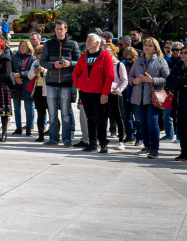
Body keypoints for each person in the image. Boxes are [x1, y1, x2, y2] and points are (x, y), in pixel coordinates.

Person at [40, 19, 81, 147]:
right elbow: (42, 61)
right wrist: (53, 65)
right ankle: (53, 138)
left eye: (61, 29)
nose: (59, 31)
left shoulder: (73, 44)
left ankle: (67, 139)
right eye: (57, 29)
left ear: (66, 30)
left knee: (66, 113)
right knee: (52, 113)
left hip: (66, 83)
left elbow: (79, 62)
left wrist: (70, 64)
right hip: (51, 83)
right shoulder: (48, 44)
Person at [72, 33, 114, 153]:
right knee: (90, 119)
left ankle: (103, 143)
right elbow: (76, 73)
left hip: (99, 93)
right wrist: (78, 85)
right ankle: (92, 143)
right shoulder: (84, 56)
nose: (87, 42)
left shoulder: (105, 56)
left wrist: (105, 93)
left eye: (90, 40)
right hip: (85, 92)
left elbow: (110, 76)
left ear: (97, 43)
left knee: (100, 119)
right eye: (87, 39)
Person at [128, 37, 169, 159]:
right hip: (138, 96)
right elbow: (130, 76)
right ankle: (146, 145)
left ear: (155, 48)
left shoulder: (161, 61)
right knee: (142, 123)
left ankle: (154, 148)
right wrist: (134, 81)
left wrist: (152, 80)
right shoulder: (138, 61)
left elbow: (168, 79)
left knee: (152, 122)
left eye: (150, 45)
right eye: (145, 45)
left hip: (152, 97)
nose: (146, 47)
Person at [166, 45, 187, 161]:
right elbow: (168, 82)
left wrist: (177, 80)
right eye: (182, 52)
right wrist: (182, 84)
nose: (183, 54)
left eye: (186, 53)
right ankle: (184, 152)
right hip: (178, 103)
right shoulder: (177, 67)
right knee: (181, 130)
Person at [10, 40, 38, 136]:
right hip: (16, 84)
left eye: (24, 46)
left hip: (27, 84)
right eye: (21, 46)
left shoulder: (32, 58)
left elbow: (32, 71)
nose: (22, 48)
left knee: (29, 108)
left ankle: (29, 127)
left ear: (28, 48)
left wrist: (20, 75)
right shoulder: (13, 57)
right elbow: (9, 69)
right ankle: (18, 127)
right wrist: (15, 76)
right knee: (16, 108)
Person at [105, 42, 129, 151]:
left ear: (113, 51)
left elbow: (124, 80)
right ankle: (102, 139)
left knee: (118, 117)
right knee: (102, 117)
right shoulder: (101, 63)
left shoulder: (119, 64)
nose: (105, 51)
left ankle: (121, 141)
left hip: (115, 94)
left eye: (108, 50)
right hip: (104, 93)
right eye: (103, 49)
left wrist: (118, 90)